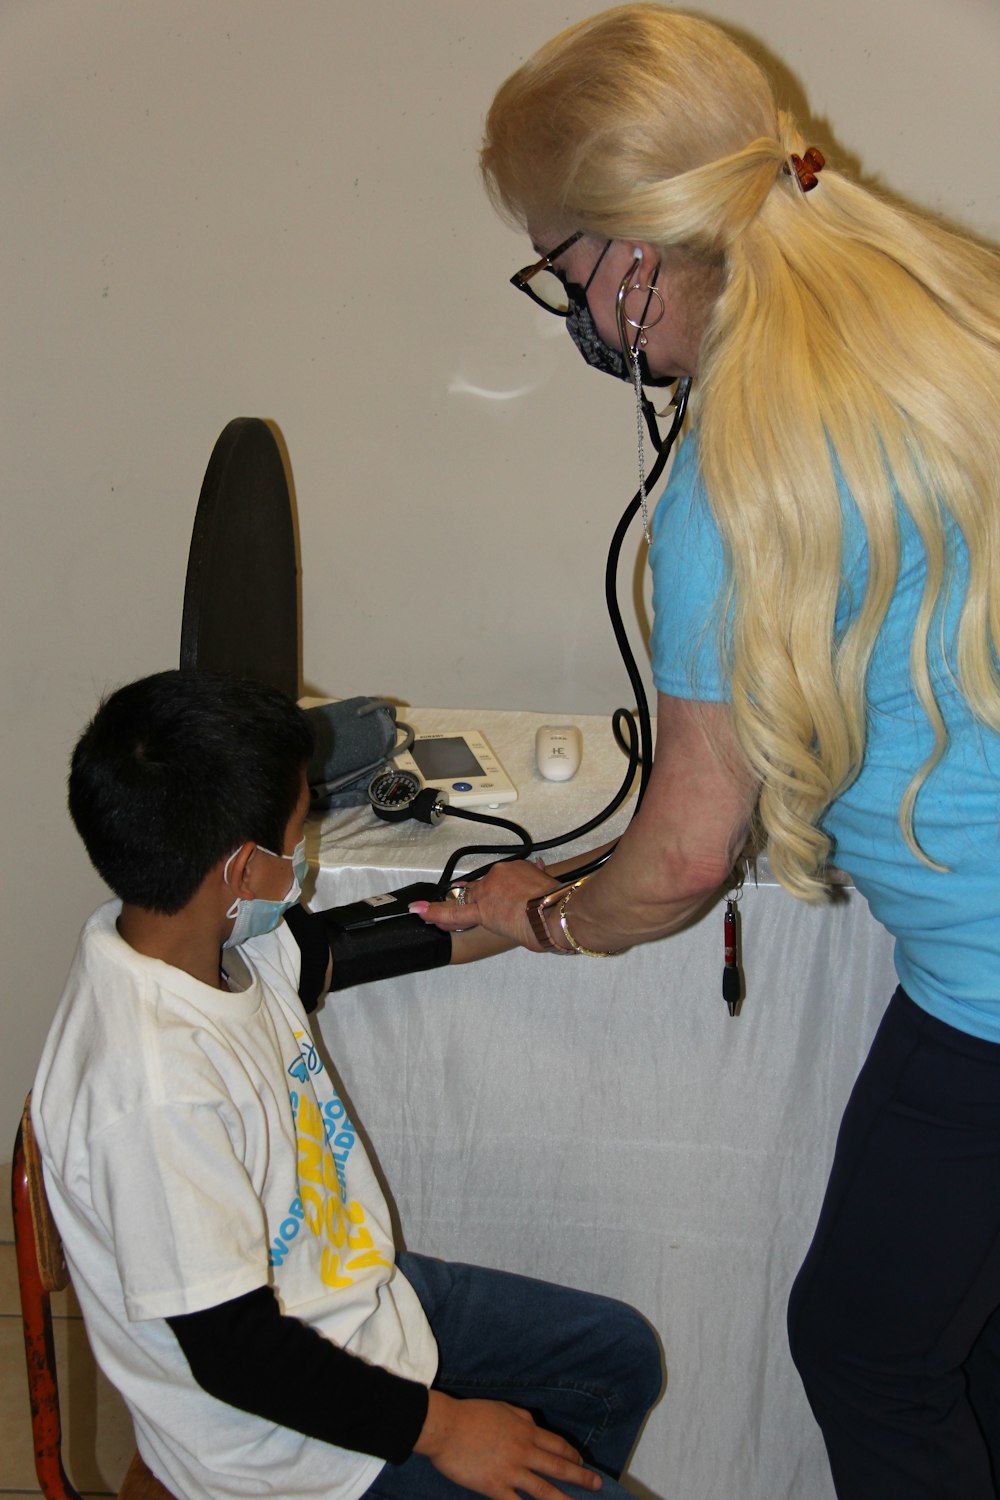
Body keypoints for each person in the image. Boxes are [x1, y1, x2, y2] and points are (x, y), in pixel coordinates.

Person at [409, 8, 1000, 1498]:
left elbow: (679, 858)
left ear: (636, 253)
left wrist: (540, 915)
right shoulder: (961, 317)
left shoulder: (732, 482)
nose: (569, 307)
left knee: (864, 1348)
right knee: (966, 1338)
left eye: (559, 266)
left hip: (991, 1000)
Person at [32, 669, 662, 1500]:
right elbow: (238, 1357)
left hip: (345, 1297)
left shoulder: (196, 937)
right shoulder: (152, 1089)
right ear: (240, 872)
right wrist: (448, 1429)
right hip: (281, 1452)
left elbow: (374, 940)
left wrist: (542, 898)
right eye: (299, 832)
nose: (304, 856)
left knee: (616, 1355)